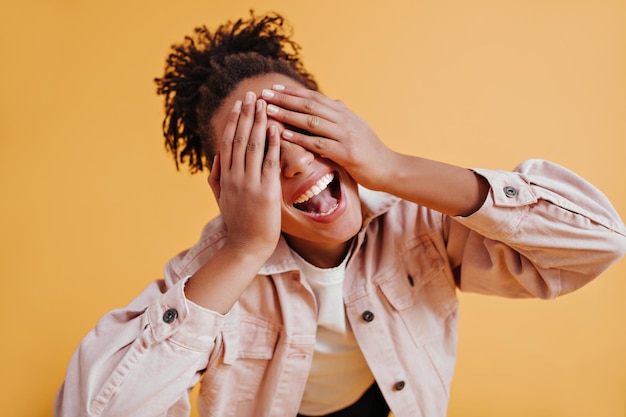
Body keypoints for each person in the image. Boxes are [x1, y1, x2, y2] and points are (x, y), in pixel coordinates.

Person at [54, 11, 626, 417]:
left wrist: (394, 168)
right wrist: (245, 248)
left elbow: (597, 243)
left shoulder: (415, 223)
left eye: (305, 128)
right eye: (259, 152)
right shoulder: (213, 274)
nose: (297, 158)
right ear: (226, 186)